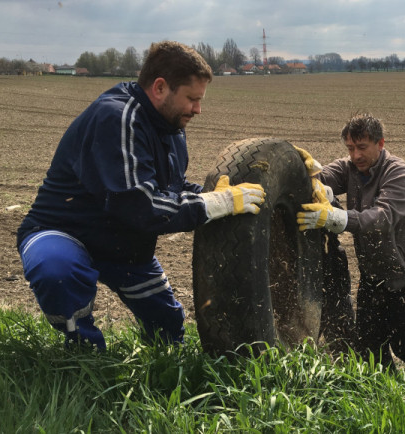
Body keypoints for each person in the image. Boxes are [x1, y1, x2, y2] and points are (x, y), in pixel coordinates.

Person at [16, 41, 265, 351]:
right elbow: (141, 206)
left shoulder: (169, 126)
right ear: (160, 87)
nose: (198, 109)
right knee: (58, 273)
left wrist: (213, 195)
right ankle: (83, 353)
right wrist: (216, 203)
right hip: (63, 231)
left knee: (169, 329)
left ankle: (161, 361)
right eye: (191, 99)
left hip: (122, 244)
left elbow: (169, 189)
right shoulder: (118, 118)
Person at [296, 113, 405, 380]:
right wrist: (309, 176)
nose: (355, 155)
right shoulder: (349, 167)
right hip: (374, 271)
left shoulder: (399, 173)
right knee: (370, 343)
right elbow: (324, 178)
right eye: (350, 148)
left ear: (380, 143)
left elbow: (383, 217)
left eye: (362, 147)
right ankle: (387, 388)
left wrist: (339, 218)